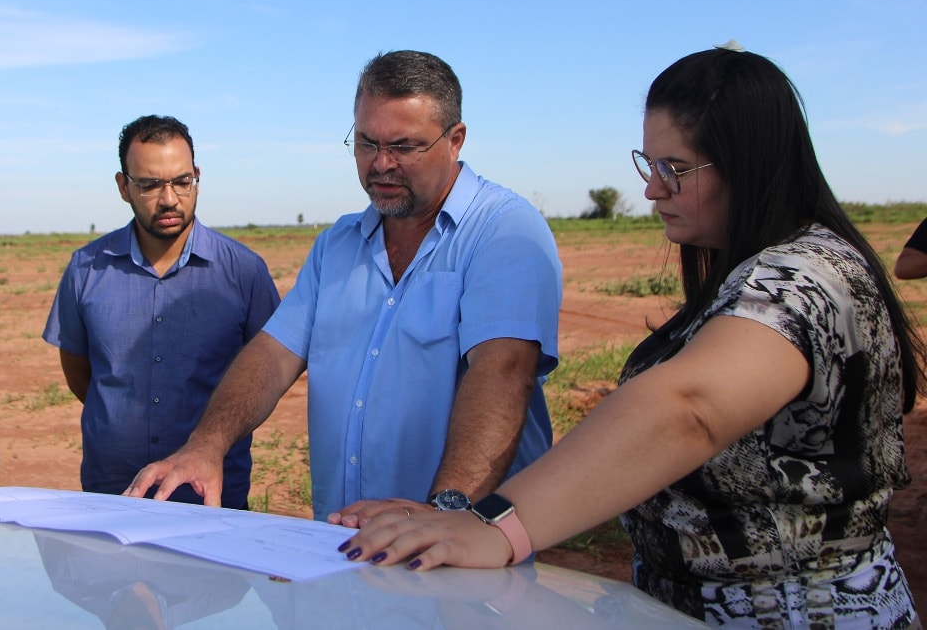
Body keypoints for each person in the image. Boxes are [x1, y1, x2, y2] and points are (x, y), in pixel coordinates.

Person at [342, 46, 925, 628]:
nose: (652, 190)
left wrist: (494, 524)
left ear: (748, 164)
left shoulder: (805, 278)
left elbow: (689, 408)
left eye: (676, 168)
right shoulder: (755, 269)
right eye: (649, 166)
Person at [127, 51, 563, 523]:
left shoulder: (504, 231)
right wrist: (206, 445)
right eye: (366, 143)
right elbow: (273, 355)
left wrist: (447, 512)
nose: (381, 164)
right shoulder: (337, 245)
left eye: (404, 146)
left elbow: (503, 372)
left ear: (454, 140)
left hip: (460, 555)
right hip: (342, 544)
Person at [43, 115, 279, 508]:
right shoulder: (86, 268)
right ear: (123, 187)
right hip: (113, 491)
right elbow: (81, 374)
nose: (169, 198)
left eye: (182, 182)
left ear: (197, 177)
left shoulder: (243, 271)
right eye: (150, 184)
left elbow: (267, 369)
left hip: (210, 494)